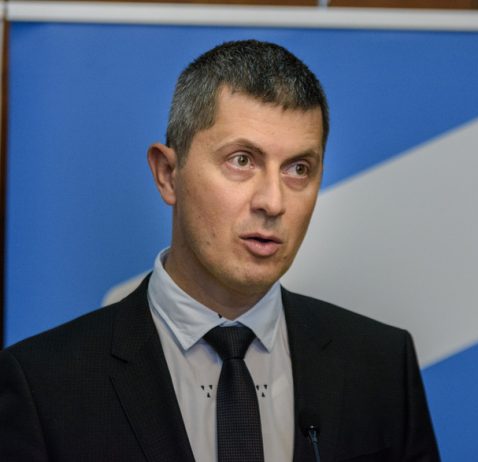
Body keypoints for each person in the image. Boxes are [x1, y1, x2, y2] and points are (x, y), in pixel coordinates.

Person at [0, 40, 440, 461]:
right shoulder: (43, 384)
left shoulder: (381, 366)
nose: (273, 202)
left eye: (298, 169)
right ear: (168, 174)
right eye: (242, 160)